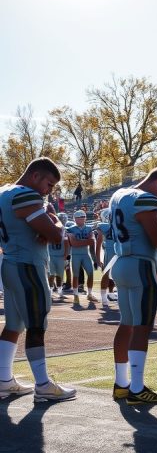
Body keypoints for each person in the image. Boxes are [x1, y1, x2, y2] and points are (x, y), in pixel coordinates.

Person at [0, 158, 76, 402]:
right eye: (49, 184)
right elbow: (54, 235)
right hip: (28, 266)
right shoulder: (25, 195)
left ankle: (3, 380)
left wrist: (44, 226)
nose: (48, 191)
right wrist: (54, 221)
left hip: (10, 263)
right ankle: (43, 385)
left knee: (13, 325)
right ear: (35, 176)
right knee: (36, 325)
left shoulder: (4, 192)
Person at [110, 167, 157, 405]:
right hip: (140, 265)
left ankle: (121, 384)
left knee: (127, 324)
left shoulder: (119, 195)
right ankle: (137, 388)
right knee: (142, 326)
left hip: (120, 263)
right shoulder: (145, 199)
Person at [67, 210, 96, 305]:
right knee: (75, 275)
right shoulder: (70, 229)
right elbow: (74, 243)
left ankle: (90, 294)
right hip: (75, 255)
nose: (82, 219)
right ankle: (75, 295)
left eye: (83, 217)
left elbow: (92, 242)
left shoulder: (89, 228)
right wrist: (86, 241)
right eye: (80, 217)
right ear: (75, 219)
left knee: (91, 273)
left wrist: (79, 242)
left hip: (86, 254)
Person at [94, 208, 115, 307]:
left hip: (118, 250)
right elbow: (98, 244)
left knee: (118, 274)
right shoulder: (104, 226)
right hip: (111, 251)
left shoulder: (117, 225)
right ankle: (103, 296)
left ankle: (111, 293)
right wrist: (98, 259)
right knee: (107, 274)